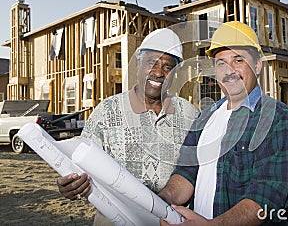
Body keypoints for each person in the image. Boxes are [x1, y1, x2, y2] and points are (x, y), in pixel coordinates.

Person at [158, 21, 288, 225]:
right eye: (221, 63)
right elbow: (186, 172)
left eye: (238, 60)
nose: (229, 71)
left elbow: (267, 197)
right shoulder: (205, 117)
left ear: (257, 65)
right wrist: (164, 198)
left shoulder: (278, 119)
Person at [56, 28, 198, 225]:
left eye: (168, 67)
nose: (158, 72)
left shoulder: (190, 114)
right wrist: (69, 183)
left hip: (171, 220)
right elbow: (77, 162)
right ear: (138, 64)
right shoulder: (107, 111)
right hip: (114, 219)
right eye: (151, 63)